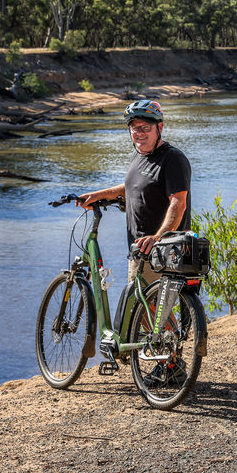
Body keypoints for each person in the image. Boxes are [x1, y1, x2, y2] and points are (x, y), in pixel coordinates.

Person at [79, 99, 192, 384]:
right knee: (148, 309)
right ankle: (170, 362)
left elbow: (178, 202)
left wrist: (158, 238)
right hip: (140, 248)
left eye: (144, 127)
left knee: (150, 308)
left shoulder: (172, 158)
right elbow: (130, 187)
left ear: (160, 128)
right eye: (133, 128)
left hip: (161, 249)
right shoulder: (140, 156)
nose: (138, 133)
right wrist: (99, 194)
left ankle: (172, 365)